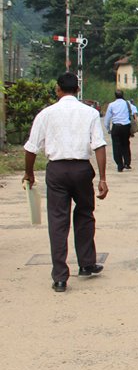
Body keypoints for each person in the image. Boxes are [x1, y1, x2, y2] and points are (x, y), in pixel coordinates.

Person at [23, 73, 109, 292]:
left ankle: (60, 278)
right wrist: (103, 178)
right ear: (78, 90)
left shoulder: (46, 114)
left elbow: (31, 148)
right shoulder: (90, 113)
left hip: (57, 171)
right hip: (82, 170)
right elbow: (99, 145)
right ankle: (87, 264)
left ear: (58, 89)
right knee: (85, 214)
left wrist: (29, 174)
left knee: (58, 221)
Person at [103, 90, 137, 172]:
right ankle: (127, 163)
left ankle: (119, 165)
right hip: (126, 127)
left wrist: (108, 129)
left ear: (115, 96)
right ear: (123, 95)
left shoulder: (111, 105)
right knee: (125, 144)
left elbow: (107, 119)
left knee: (116, 146)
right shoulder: (127, 103)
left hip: (116, 127)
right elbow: (134, 111)